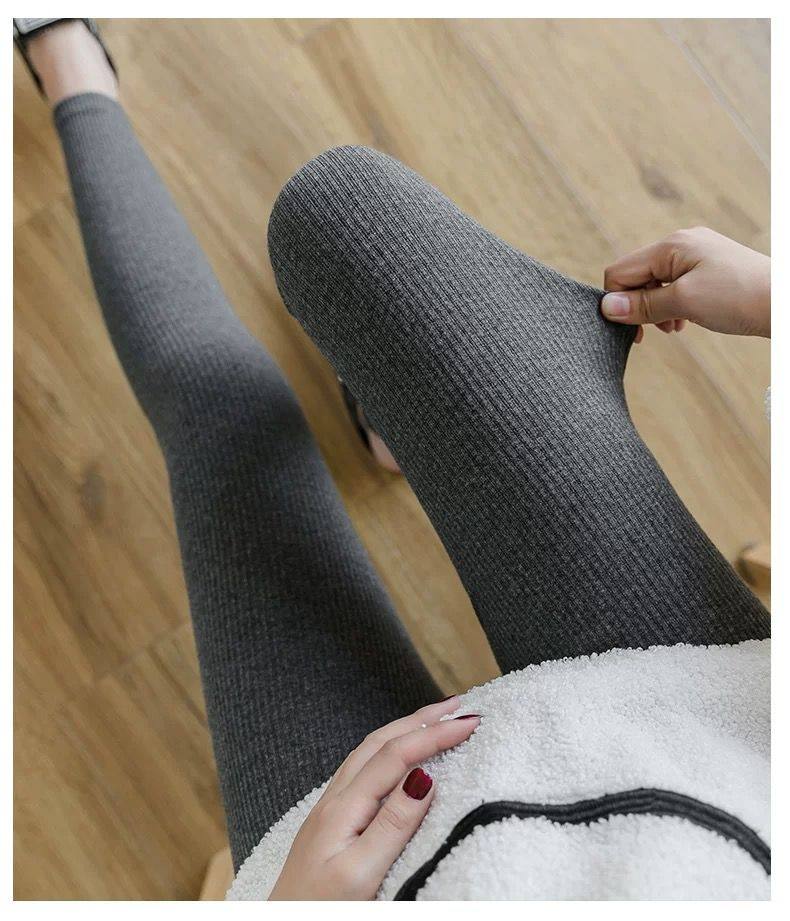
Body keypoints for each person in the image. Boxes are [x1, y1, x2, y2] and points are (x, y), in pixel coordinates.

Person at [14, 19, 770, 901]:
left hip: (391, 881)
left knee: (223, 420)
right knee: (342, 215)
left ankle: (73, 75)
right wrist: (774, 300)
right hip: (708, 719)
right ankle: (391, 422)